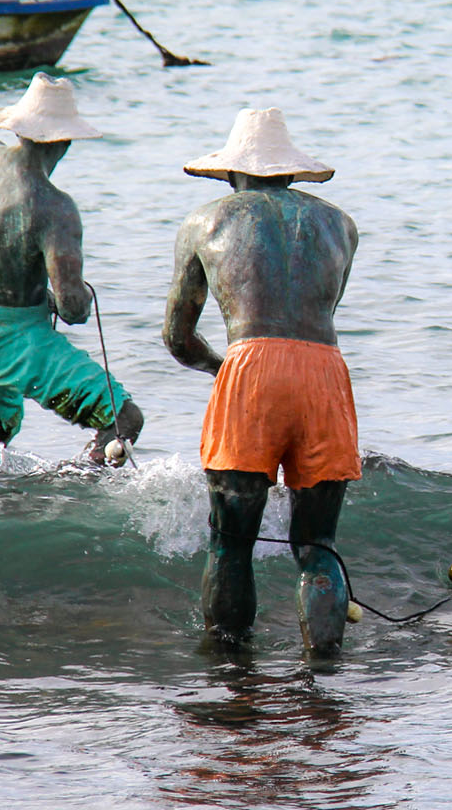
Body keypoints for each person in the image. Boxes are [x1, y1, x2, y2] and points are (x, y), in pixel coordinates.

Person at [163, 108, 360, 655]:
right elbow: (324, 306)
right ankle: (323, 676)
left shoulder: (205, 222)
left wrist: (217, 368)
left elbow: (178, 337)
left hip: (249, 368)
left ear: (231, 174)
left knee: (230, 542)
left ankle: (230, 674)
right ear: (292, 173)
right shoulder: (341, 225)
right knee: (318, 543)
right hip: (325, 372)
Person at [0, 73, 144, 468]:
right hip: (6, 335)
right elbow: (72, 309)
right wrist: (77, 298)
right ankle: (70, 503)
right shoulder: (55, 207)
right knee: (123, 419)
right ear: (64, 142)